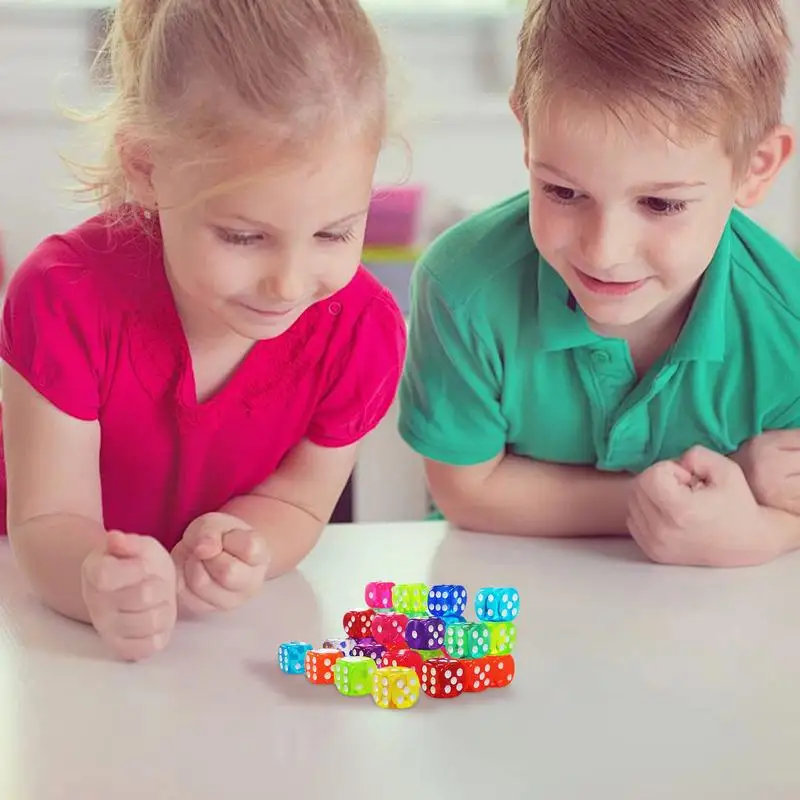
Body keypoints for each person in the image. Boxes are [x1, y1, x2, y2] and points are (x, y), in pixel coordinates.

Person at [0, 0, 407, 661]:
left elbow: (301, 503)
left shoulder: (360, 331)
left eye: (334, 232)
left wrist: (248, 546)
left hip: (218, 656)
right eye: (244, 236)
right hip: (40, 631)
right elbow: (46, 520)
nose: (290, 283)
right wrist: (94, 581)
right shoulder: (63, 296)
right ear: (147, 168)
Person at [398, 0, 800, 569]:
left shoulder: (789, 324)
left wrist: (761, 536)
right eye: (563, 192)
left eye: (661, 203)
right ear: (527, 134)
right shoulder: (462, 287)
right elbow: (466, 492)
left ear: (756, 166)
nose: (604, 251)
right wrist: (728, 494)